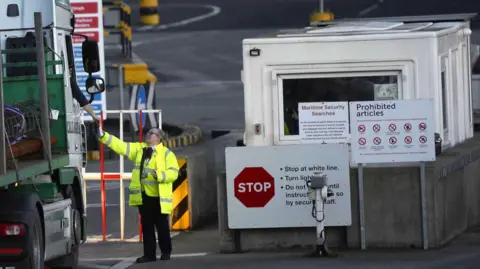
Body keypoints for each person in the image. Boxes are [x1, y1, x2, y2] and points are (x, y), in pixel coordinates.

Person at [94, 126, 179, 263]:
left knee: (162, 226)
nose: (148, 135)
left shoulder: (167, 154)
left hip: (159, 196)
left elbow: (174, 173)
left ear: (158, 138)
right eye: (149, 132)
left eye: (152, 133)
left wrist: (159, 175)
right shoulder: (140, 149)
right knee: (146, 227)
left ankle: (166, 252)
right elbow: (121, 146)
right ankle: (149, 255)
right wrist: (104, 136)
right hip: (144, 196)